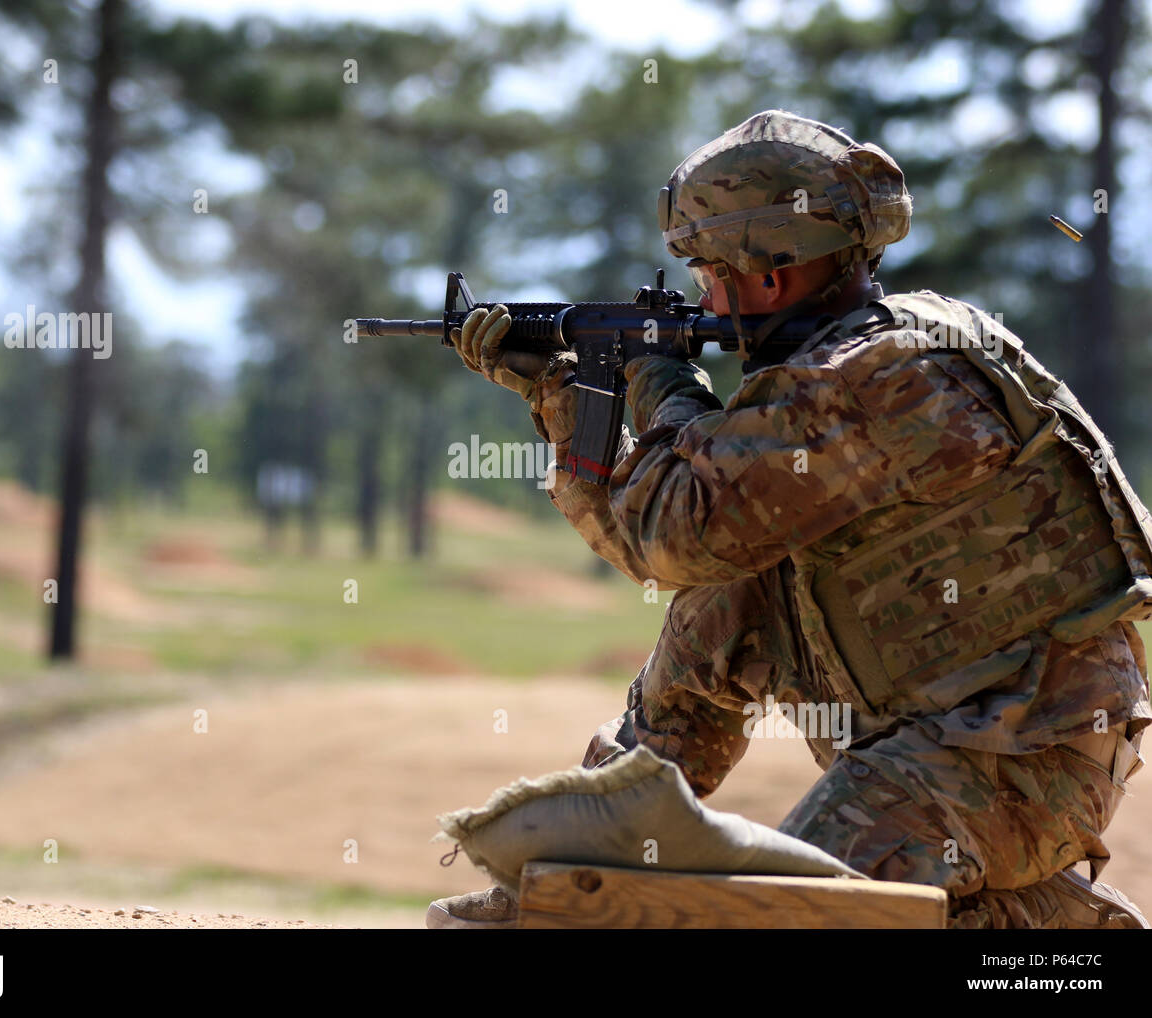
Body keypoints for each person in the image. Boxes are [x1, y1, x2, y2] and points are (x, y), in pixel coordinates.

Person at [428, 110, 1150, 930]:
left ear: (768, 276)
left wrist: (657, 381)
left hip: (1016, 753)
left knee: (792, 920)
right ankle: (592, 854)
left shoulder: (878, 375)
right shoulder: (845, 361)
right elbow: (667, 546)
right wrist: (565, 393)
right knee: (728, 594)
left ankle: (1045, 933)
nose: (701, 293)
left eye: (705, 269)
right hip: (951, 740)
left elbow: (671, 529)